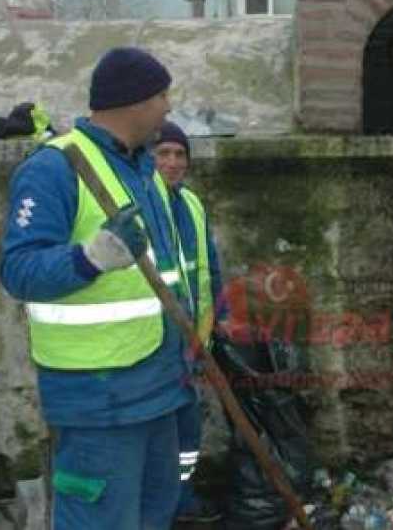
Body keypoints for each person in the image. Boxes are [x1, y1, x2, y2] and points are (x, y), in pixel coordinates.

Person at [0, 47, 192, 529]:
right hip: (98, 397)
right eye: (162, 96)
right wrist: (90, 258)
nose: (168, 107)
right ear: (135, 102)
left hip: (159, 383)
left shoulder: (142, 168)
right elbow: (18, 270)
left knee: (154, 513)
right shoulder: (55, 169)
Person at [152, 121, 226, 524]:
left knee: (187, 432)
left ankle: (182, 500)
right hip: (156, 344)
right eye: (163, 153)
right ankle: (161, 508)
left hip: (193, 346)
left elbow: (208, 269)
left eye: (180, 154)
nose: (173, 162)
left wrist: (220, 319)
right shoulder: (146, 204)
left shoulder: (192, 204)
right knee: (159, 434)